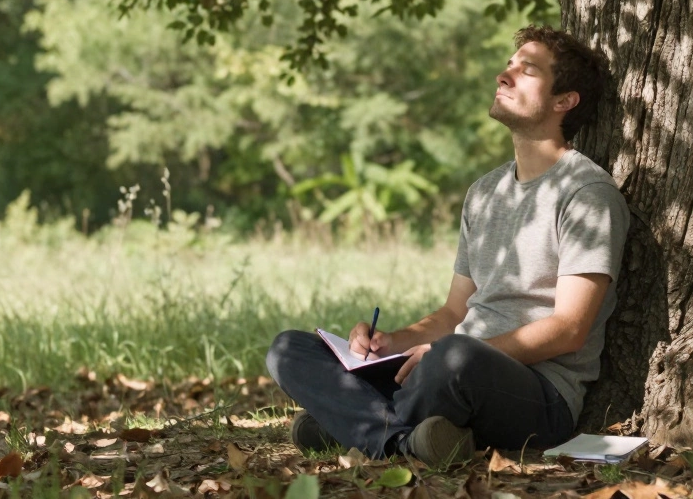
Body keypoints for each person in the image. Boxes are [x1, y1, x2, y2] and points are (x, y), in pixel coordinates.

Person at [265, 25, 630, 465]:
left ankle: (353, 427)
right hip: (444, 371)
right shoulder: (484, 192)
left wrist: (445, 353)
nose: (504, 75)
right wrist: (389, 342)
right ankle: (404, 439)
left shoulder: (586, 192)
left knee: (455, 357)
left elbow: (569, 328)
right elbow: (453, 314)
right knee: (290, 348)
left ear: (563, 101)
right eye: (508, 64)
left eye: (526, 70)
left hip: (535, 395)